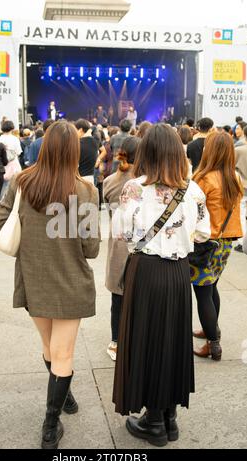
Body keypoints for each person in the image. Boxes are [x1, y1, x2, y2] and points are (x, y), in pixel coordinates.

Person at [0, 121, 100, 450]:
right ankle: (50, 427)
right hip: (69, 281)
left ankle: (61, 397)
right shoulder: (86, 191)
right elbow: (91, 247)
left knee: (49, 346)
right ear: (73, 151)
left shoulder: (23, 182)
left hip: (33, 279)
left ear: (44, 145)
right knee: (63, 352)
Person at [112, 124, 211, 447]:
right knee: (172, 340)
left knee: (147, 339)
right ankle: (169, 417)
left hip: (147, 270)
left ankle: (154, 420)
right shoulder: (193, 190)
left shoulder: (134, 188)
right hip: (179, 272)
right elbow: (203, 233)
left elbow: (121, 233)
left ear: (147, 152)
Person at [192, 132, 243, 360]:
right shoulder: (235, 177)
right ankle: (210, 329)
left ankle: (213, 344)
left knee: (203, 292)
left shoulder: (203, 178)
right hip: (225, 243)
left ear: (209, 150)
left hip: (205, 243)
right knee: (212, 287)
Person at [103, 137, 140, 361]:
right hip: (142, 243)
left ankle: (116, 340)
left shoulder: (109, 181)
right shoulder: (146, 183)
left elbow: (111, 213)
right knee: (139, 293)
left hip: (118, 242)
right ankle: (136, 336)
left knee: (118, 295)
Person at [234, 124, 247, 253]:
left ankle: (242, 242)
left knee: (241, 213)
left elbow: (231, 167)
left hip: (242, 186)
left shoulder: (239, 150)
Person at [0, 121, 22, 195]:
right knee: (14, 186)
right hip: (13, 165)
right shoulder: (15, 139)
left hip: (2, 165)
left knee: (3, 187)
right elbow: (18, 152)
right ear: (12, 128)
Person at [75, 119, 99, 184]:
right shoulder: (95, 141)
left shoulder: (77, 143)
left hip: (79, 180)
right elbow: (94, 127)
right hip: (91, 179)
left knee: (74, 195)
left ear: (80, 130)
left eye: (75, 130)